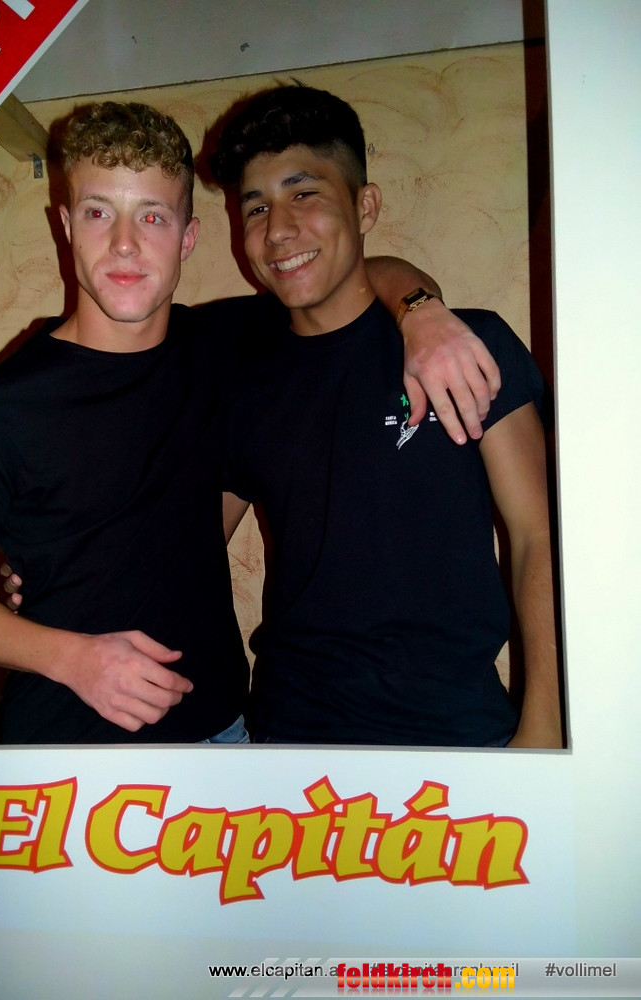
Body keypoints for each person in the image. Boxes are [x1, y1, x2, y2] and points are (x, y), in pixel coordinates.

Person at [0, 100, 501, 745]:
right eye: (98, 212)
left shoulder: (228, 344)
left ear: (188, 238)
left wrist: (420, 309)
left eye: (152, 216)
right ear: (65, 225)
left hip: (225, 738)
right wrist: (69, 657)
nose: (124, 243)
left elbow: (348, 274)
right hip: (67, 750)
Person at [210, 84, 562, 748]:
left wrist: (544, 723)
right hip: (288, 741)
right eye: (255, 207)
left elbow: (537, 538)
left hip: (457, 736)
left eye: (303, 193)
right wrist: (54, 564)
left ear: (365, 205)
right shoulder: (245, 386)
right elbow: (184, 548)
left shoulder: (467, 347)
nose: (276, 229)